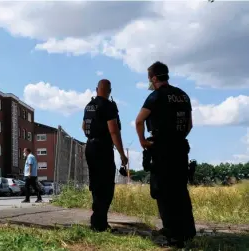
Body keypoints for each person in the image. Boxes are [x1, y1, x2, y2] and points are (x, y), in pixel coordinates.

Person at [135, 61, 196, 248]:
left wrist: (143, 141)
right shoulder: (183, 95)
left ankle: (173, 235)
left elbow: (139, 121)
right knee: (180, 190)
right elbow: (189, 125)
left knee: (163, 191)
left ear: (154, 78)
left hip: (161, 148)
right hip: (180, 147)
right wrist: (178, 138)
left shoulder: (155, 97)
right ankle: (187, 232)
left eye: (149, 79)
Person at [82, 79, 128, 232]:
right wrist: (122, 154)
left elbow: (84, 127)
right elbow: (114, 130)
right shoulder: (108, 106)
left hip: (90, 146)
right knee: (106, 185)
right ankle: (100, 223)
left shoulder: (89, 106)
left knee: (95, 184)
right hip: (103, 148)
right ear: (110, 91)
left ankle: (97, 221)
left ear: (96, 89)